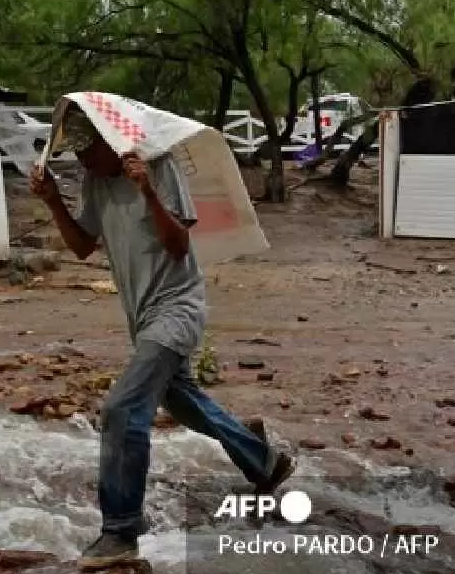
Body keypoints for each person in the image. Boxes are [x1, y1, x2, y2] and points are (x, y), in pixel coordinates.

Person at [29, 107, 296, 571]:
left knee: (121, 410)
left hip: (177, 310)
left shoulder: (158, 168)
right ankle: (264, 461)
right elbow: (81, 245)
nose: (84, 163)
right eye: (78, 156)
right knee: (182, 400)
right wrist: (54, 200)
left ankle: (120, 532)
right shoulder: (95, 181)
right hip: (144, 316)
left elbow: (178, 245)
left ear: (111, 143)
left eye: (88, 152)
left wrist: (147, 190)